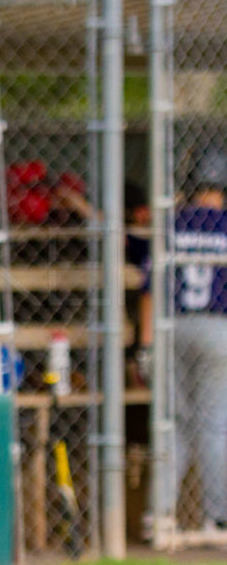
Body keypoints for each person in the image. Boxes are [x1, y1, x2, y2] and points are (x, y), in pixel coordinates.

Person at [138, 149, 227, 531]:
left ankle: (160, 515)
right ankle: (217, 518)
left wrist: (145, 345)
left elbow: (149, 290)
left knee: (171, 423)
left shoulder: (172, 224)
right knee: (215, 425)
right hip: (217, 329)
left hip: (171, 329)